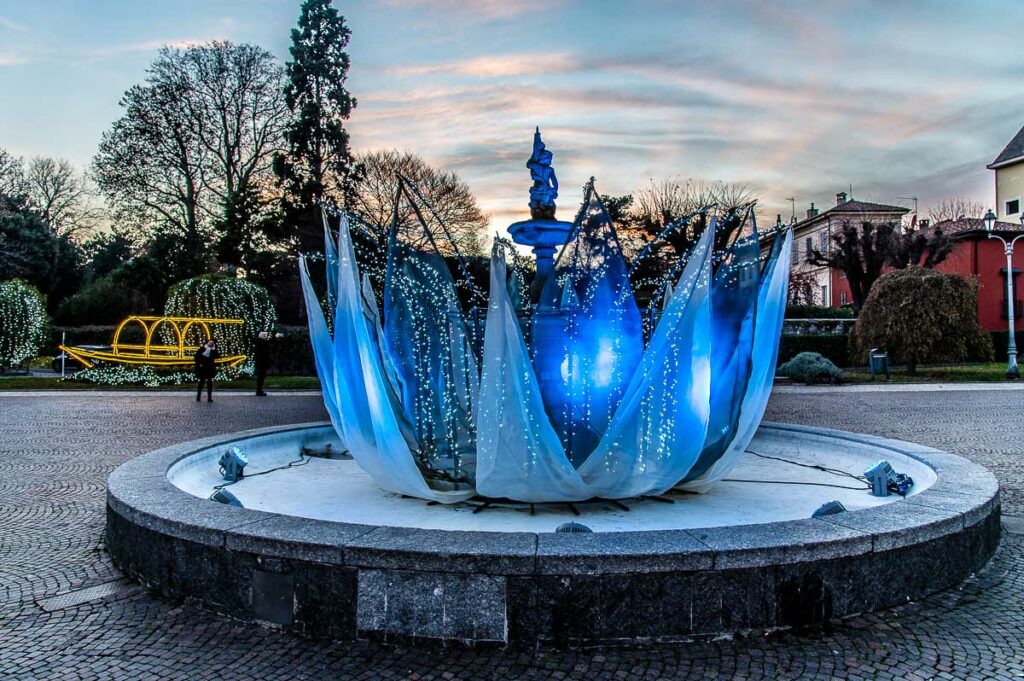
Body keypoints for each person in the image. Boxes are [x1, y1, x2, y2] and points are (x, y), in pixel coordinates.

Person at [194, 338, 220, 402]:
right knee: (201, 382)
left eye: (212, 343)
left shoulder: (213, 350)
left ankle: (209, 397)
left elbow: (217, 356)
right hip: (202, 367)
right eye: (209, 342)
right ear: (207, 342)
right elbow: (196, 357)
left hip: (210, 368)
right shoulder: (202, 348)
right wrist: (199, 363)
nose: (210, 343)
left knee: (209, 383)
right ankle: (198, 397)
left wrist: (214, 349)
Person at [254, 331, 274, 397]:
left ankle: (259, 391)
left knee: (261, 377)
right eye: (265, 335)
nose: (266, 337)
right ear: (262, 336)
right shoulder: (262, 343)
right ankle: (259, 391)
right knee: (261, 378)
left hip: (260, 363)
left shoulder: (259, 343)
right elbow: (265, 353)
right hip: (262, 363)